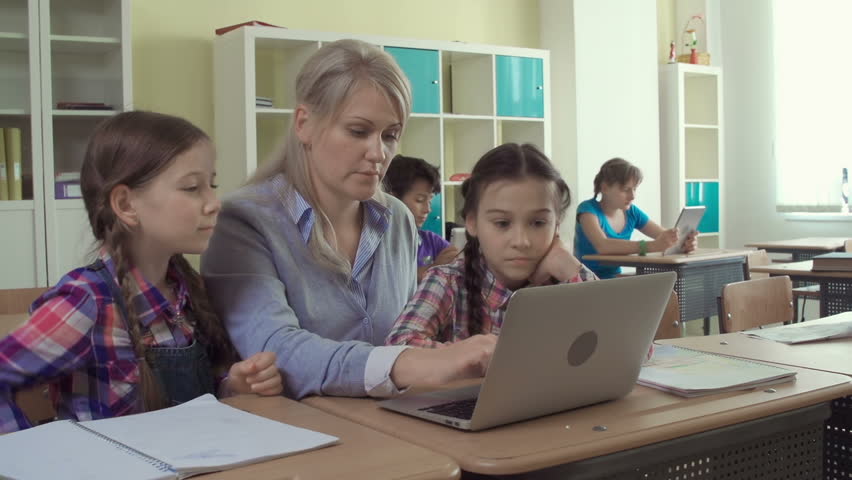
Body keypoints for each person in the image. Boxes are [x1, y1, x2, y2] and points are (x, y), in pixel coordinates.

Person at [201, 39, 498, 400]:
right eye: (358, 131)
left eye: (390, 135)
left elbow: (408, 332)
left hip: (398, 428)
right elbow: (275, 350)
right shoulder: (241, 222)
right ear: (304, 124)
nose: (378, 153)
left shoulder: (398, 219)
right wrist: (408, 364)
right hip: (300, 439)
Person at [0, 111, 283, 433]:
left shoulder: (190, 293)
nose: (214, 202)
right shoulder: (86, 301)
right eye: (192, 187)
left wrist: (234, 385)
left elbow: (199, 404)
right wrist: (30, 455)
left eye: (212, 184)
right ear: (126, 204)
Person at [385, 143, 597, 347]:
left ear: (557, 223)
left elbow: (619, 345)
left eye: (538, 223)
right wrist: (470, 354)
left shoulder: (566, 282)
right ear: (472, 222)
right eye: (502, 223)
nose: (521, 241)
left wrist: (567, 265)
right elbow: (398, 349)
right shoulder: (448, 282)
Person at [574, 157, 698, 279]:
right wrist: (651, 246)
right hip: (585, 281)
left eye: (634, 189)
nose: (632, 196)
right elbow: (603, 246)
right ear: (605, 187)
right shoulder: (587, 210)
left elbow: (664, 236)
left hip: (613, 280)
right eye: (626, 190)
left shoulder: (632, 212)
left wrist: (683, 242)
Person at [382, 155, 459, 280]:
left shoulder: (430, 241)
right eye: (420, 200)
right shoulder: (378, 244)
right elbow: (390, 281)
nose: (427, 209)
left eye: (429, 201)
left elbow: (455, 258)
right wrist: (434, 268)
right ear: (393, 199)